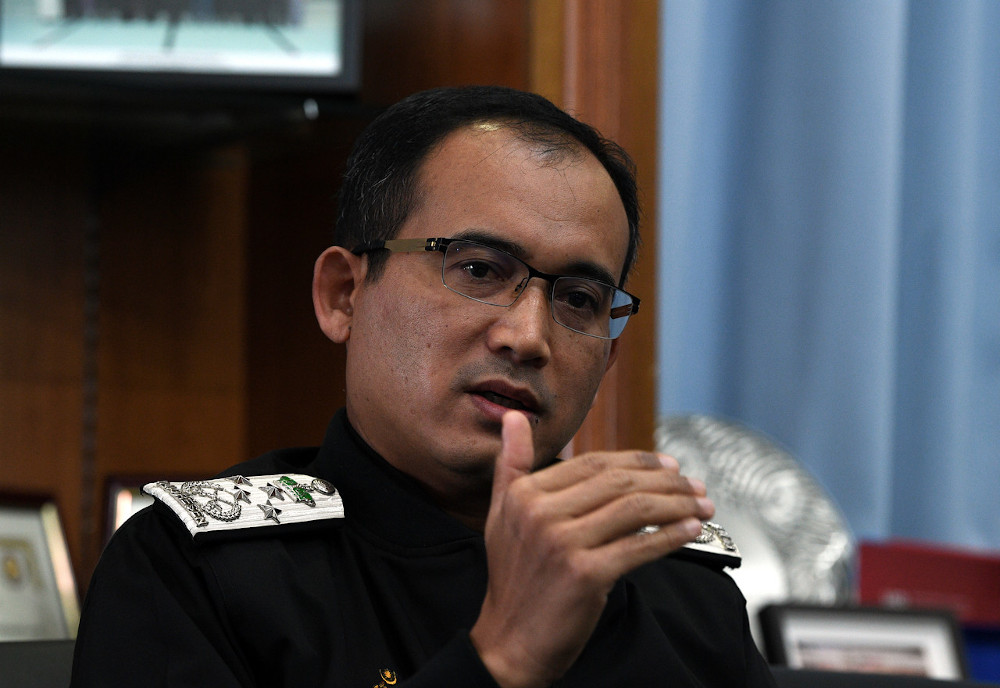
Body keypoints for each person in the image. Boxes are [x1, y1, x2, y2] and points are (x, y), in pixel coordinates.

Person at [71, 86, 776, 687]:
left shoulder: (679, 589)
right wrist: (501, 658)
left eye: (580, 300)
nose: (528, 336)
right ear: (344, 294)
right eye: (478, 270)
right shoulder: (199, 572)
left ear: (609, 359)